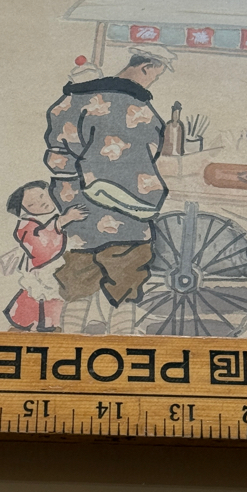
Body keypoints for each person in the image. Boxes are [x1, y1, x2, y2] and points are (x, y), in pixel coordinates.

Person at [43, 46, 173, 334]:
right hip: (122, 203)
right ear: (146, 67)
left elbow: (55, 152)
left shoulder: (66, 102)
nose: (152, 82)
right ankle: (121, 336)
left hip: (73, 200)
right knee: (127, 272)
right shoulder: (131, 104)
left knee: (78, 272)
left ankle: (70, 336)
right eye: (155, 76)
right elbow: (148, 148)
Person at [3, 181, 87, 332]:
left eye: (42, 196)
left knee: (57, 301)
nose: (41, 203)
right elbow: (42, 249)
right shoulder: (25, 225)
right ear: (24, 209)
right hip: (42, 270)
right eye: (32, 204)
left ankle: (54, 327)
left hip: (65, 267)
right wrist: (62, 221)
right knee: (37, 298)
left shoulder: (62, 208)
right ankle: (22, 326)